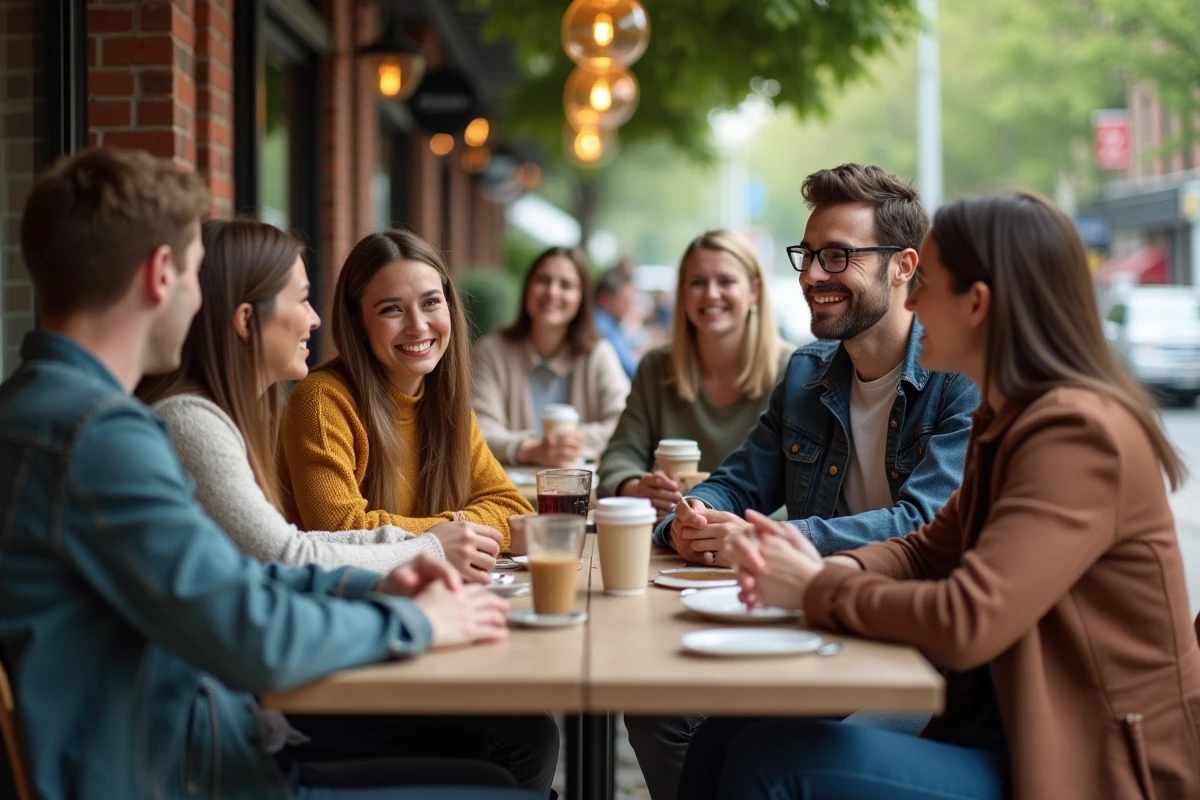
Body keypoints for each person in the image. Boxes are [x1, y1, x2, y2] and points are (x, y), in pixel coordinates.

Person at [0, 147, 535, 800]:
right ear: (162, 275)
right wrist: (418, 623)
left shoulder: (46, 411)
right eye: (196, 274)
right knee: (499, 782)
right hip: (188, 773)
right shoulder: (99, 438)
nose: (202, 303)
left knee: (490, 766)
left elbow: (241, 579)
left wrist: (376, 584)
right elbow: (254, 630)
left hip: (188, 749)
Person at [694, 191, 1200, 800]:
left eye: (927, 283)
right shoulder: (1011, 417)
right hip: (1002, 724)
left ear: (977, 304)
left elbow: (968, 620)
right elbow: (926, 549)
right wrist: (827, 567)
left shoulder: (1077, 433)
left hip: (1089, 765)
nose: (910, 301)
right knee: (721, 736)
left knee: (772, 762)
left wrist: (814, 588)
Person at [625, 167, 980, 800]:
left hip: (917, 653)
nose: (812, 274)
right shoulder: (808, 373)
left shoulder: (957, 379)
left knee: (762, 756)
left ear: (904, 266)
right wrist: (693, 514)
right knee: (670, 713)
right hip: (823, 624)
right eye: (808, 254)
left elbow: (922, 525)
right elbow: (739, 482)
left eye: (837, 256)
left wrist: (774, 542)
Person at [137, 219, 449, 573]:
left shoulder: (228, 417)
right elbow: (285, 555)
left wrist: (429, 540)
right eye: (302, 300)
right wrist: (431, 547)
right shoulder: (190, 423)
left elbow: (292, 543)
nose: (315, 320)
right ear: (246, 320)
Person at [278, 229, 534, 571]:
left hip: (425, 589)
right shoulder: (321, 402)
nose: (418, 326)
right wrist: (445, 538)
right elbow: (341, 531)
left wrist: (453, 531)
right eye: (392, 309)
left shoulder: (447, 404)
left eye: (430, 303)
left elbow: (514, 511)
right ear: (358, 324)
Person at [596, 229, 793, 524]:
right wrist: (637, 488)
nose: (711, 293)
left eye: (726, 281)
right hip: (671, 533)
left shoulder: (792, 370)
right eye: (698, 282)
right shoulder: (656, 367)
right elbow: (619, 455)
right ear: (683, 293)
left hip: (757, 535)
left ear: (754, 291)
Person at [472, 246, 629, 467]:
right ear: (527, 288)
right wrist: (530, 449)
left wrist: (566, 445)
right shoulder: (490, 352)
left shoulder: (598, 354)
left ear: (581, 298)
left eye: (566, 285)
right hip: (506, 485)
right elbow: (477, 430)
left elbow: (625, 424)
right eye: (543, 280)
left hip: (580, 484)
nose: (552, 292)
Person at [593, 267, 640, 378]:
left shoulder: (608, 322)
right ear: (604, 299)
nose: (629, 307)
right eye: (625, 300)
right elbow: (630, 369)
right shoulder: (602, 326)